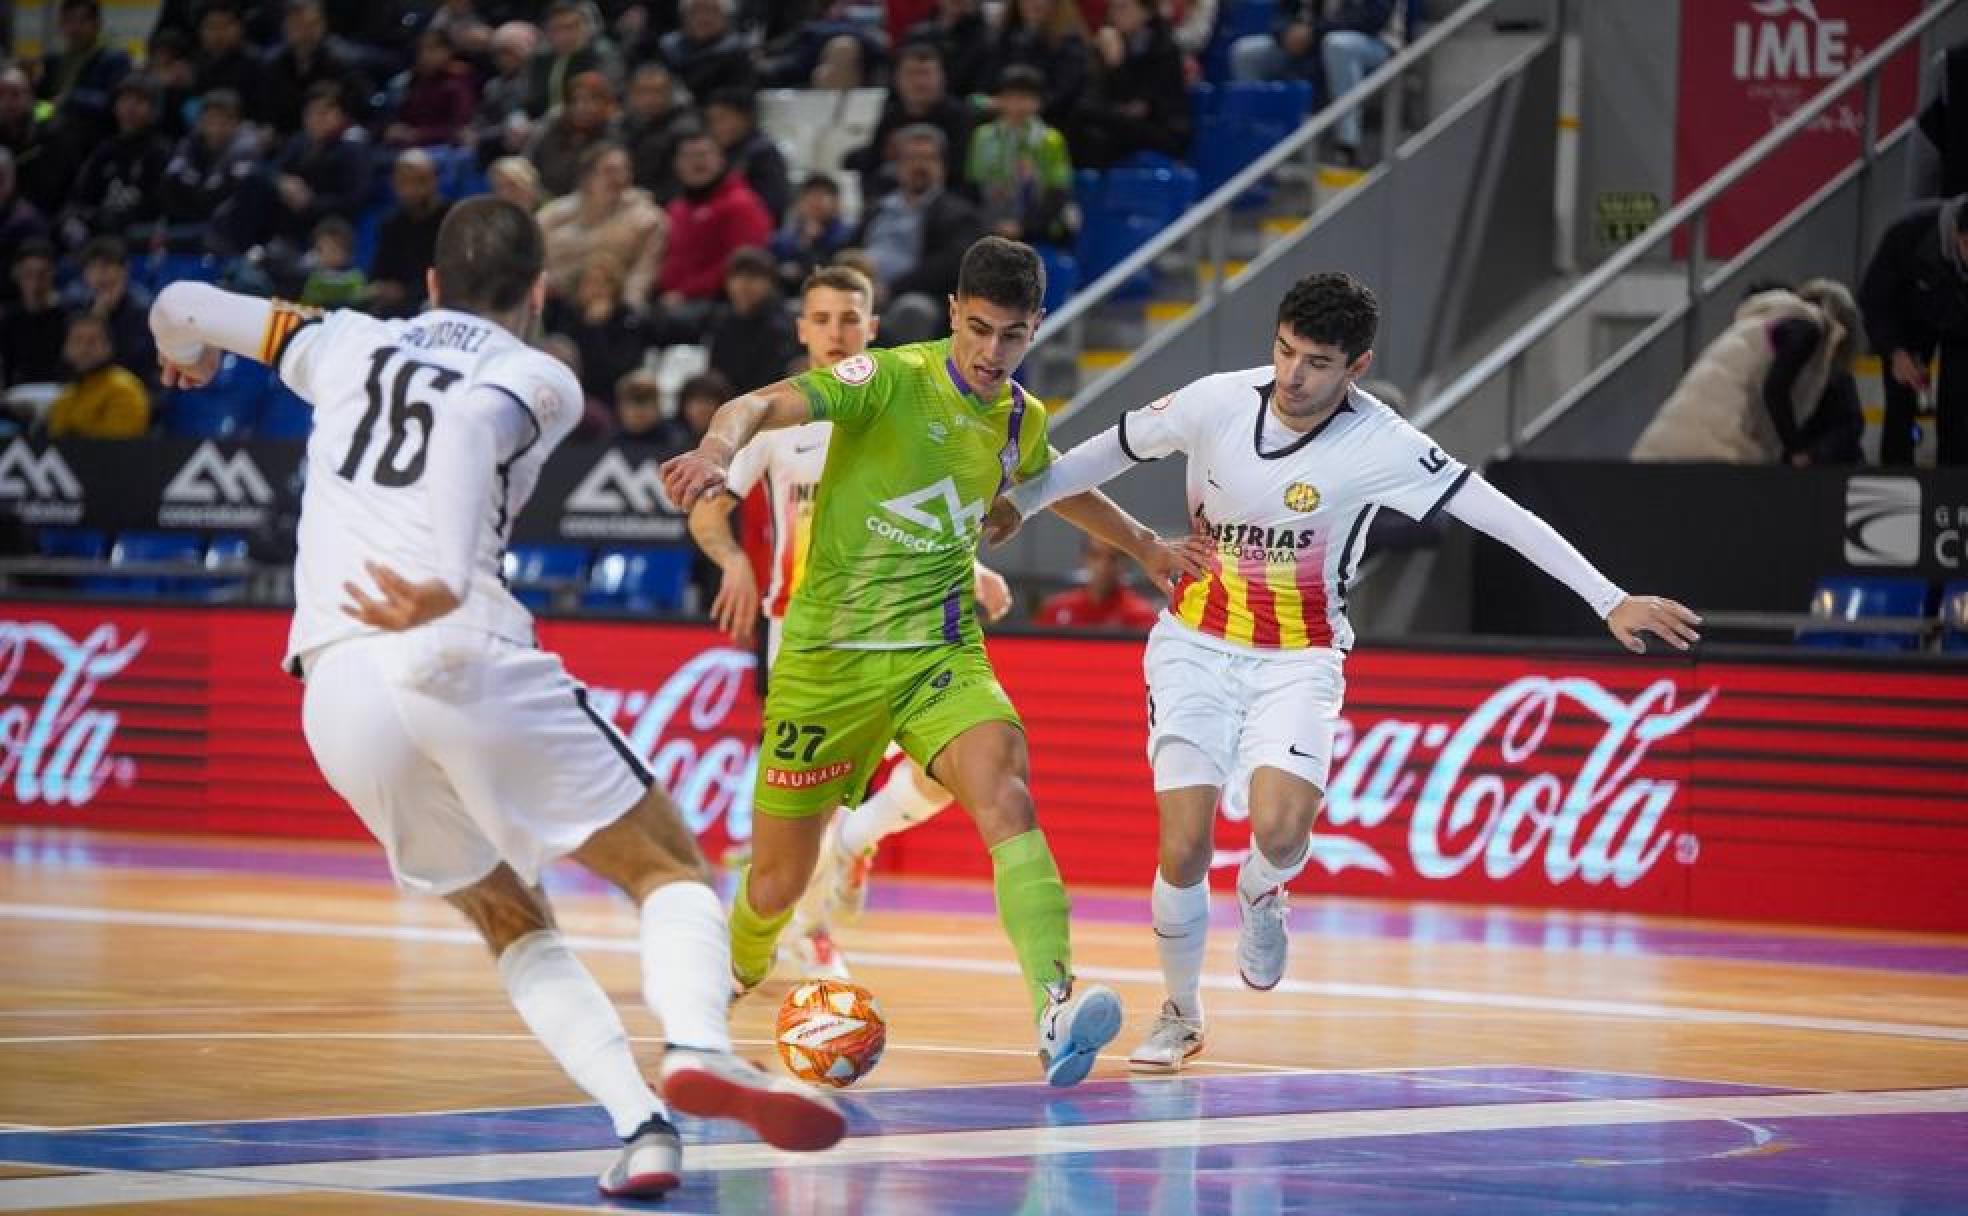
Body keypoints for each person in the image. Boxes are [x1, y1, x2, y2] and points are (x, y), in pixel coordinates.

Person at [145, 196, 845, 1197]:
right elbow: (470, 422)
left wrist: (191, 355)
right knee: (673, 868)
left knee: (508, 917)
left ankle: (642, 1127)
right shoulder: (535, 372)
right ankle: (699, 1046)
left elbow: (182, 298)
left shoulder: (340, 339)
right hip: (451, 642)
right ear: (537, 292)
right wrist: (446, 575)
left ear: (429, 283)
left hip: (334, 685)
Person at [983, 271, 1701, 1073]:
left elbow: (1499, 514)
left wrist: (1607, 599)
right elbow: (1105, 452)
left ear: (1356, 366)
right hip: (1194, 643)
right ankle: (1181, 1014)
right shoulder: (1217, 399)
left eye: (1316, 363)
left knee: (1281, 829)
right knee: (1183, 845)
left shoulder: (1385, 445)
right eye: (1285, 351)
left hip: (1300, 658)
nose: (1292, 375)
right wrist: (1025, 497)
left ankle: (1262, 890)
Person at [661, 236, 1211, 1087]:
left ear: (1035, 330)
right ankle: (728, 976)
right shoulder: (883, 379)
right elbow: (756, 406)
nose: (993, 354)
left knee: (1005, 784)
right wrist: (714, 449)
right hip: (826, 661)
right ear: (954, 313)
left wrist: (1142, 545)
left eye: (1013, 336)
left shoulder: (1021, 417)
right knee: (774, 884)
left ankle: (1055, 1005)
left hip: (938, 649)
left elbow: (1050, 484)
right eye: (980, 330)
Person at [682, 263, 1017, 981]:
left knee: (946, 778)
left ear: (873, 327)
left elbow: (932, 514)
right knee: (809, 806)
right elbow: (709, 501)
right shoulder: (780, 422)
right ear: (802, 330)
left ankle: (855, 844)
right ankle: (812, 929)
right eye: (822, 319)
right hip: (808, 637)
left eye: (849, 319)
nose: (835, 332)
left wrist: (975, 568)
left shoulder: (900, 406)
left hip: (913, 626)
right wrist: (731, 560)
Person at [1632, 279, 1864, 466]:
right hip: (1713, 446)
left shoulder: (1762, 322)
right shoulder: (1808, 326)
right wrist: (1797, 449)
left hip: (1671, 442)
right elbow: (1775, 390)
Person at [1859, 195, 1968, 466]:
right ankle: (1896, 480)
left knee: (1959, 402)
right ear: (1956, 233)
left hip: (1961, 322)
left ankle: (1954, 484)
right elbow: (1874, 298)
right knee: (1900, 397)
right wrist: (1894, 351)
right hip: (1909, 318)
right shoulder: (1908, 233)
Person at [48, 312, 149, 438]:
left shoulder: (124, 389)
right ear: (65, 348)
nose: (84, 349)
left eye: (92, 341)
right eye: (77, 341)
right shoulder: (66, 395)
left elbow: (118, 445)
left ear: (108, 347)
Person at [1035, 537, 1160, 629]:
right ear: (1084, 558)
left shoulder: (1141, 615)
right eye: (1095, 555)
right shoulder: (1056, 608)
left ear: (1125, 562)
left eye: (1113, 557)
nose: (1103, 566)